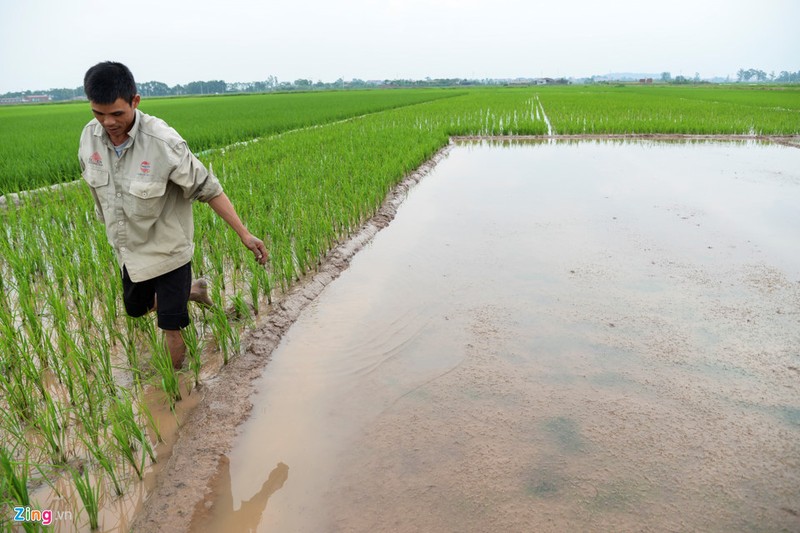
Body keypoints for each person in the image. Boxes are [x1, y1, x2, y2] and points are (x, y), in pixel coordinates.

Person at [79, 61, 268, 370]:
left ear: (135, 102)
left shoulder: (163, 142)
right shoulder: (90, 138)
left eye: (117, 114)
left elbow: (209, 188)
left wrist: (245, 234)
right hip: (131, 249)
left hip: (170, 249)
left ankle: (175, 388)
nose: (108, 122)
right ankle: (194, 291)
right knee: (136, 308)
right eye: (99, 113)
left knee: (171, 326)